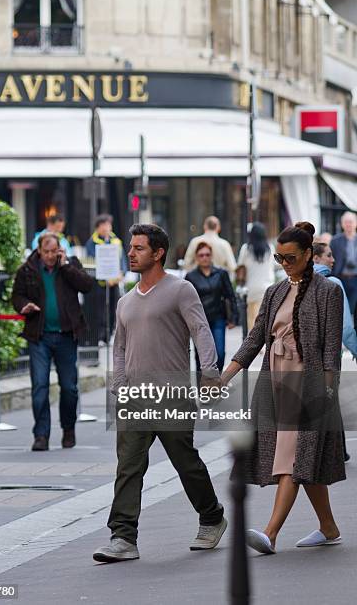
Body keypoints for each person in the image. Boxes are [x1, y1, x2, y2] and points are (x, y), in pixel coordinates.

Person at [93, 224, 227, 563]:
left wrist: (209, 373)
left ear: (158, 253)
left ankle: (212, 518)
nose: (131, 253)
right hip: (134, 397)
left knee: (186, 463)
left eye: (139, 248)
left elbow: (201, 331)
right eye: (131, 248)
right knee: (129, 467)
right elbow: (119, 347)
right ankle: (122, 537)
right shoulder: (125, 300)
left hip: (172, 394)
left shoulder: (181, 290)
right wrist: (119, 386)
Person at [220, 222, 345, 554]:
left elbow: (331, 347)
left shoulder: (328, 290)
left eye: (290, 258)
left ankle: (270, 533)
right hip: (275, 380)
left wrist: (328, 392)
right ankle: (329, 527)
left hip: (309, 384)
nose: (284, 263)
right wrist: (224, 376)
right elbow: (255, 338)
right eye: (279, 257)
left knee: (291, 456)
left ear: (308, 254)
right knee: (305, 460)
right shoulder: (274, 292)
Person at [12, 233, 94, 451]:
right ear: (39, 250)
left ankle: (68, 429)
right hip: (39, 336)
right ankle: (41, 435)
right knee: (40, 385)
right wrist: (24, 306)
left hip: (67, 335)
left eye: (53, 251)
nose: (50, 256)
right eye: (46, 251)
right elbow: (16, 296)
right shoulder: (28, 269)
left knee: (69, 387)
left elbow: (87, 285)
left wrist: (66, 265)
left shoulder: (69, 265)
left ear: (60, 250)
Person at [185, 242, 238, 372]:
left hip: (218, 318)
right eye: (201, 255)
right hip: (199, 321)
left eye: (207, 254)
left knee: (219, 353)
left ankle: (216, 380)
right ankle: (202, 387)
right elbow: (186, 302)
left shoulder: (221, 274)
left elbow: (230, 296)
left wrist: (233, 318)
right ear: (197, 257)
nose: (204, 257)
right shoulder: (190, 276)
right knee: (200, 357)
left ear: (211, 256)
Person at [85, 214, 127, 343]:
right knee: (99, 310)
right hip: (99, 284)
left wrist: (122, 273)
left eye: (108, 225)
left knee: (113, 309)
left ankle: (109, 335)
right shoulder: (91, 243)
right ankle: (100, 336)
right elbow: (92, 262)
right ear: (97, 228)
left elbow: (122, 260)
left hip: (114, 282)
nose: (106, 228)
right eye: (103, 225)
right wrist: (105, 276)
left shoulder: (116, 241)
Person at [313, 242, 357, 360]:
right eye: (329, 255)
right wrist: (355, 350)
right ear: (316, 258)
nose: (333, 260)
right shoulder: (333, 283)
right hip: (327, 354)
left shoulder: (293, 282)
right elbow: (345, 326)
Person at [236, 222, 275, 331]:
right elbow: (275, 265)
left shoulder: (246, 249)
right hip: (267, 288)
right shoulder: (270, 248)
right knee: (266, 320)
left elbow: (240, 265)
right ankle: (264, 345)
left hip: (251, 288)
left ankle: (255, 346)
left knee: (252, 320)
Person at [331, 211, 357, 324]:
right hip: (341, 278)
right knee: (341, 308)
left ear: (355, 223)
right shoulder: (335, 241)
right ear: (342, 224)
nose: (348, 224)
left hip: (356, 279)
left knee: (354, 308)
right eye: (346, 222)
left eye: (350, 222)